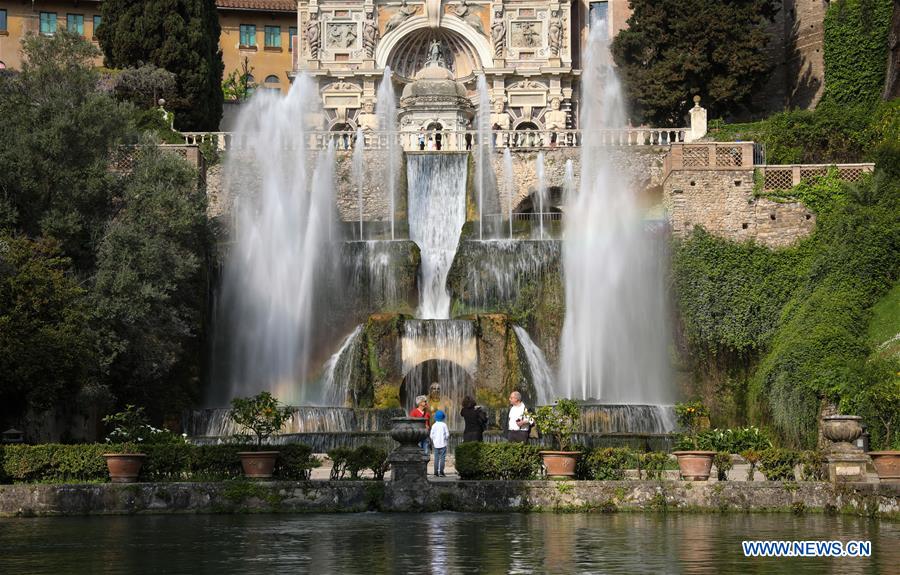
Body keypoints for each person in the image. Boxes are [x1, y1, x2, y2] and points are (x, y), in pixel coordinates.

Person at [430, 410, 450, 477]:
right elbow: (447, 434)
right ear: (443, 418)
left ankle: (435, 473)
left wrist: (434, 440)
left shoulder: (434, 425)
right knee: (442, 458)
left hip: (436, 445)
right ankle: (441, 472)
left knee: (436, 458)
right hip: (443, 444)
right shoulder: (444, 425)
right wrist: (445, 439)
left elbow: (431, 435)